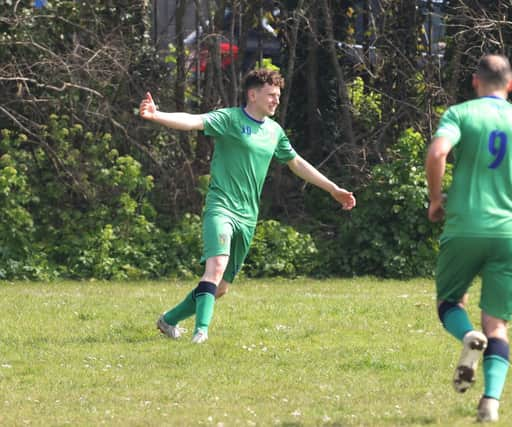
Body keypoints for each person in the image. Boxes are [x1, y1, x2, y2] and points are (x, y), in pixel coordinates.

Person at [139, 69, 356, 344]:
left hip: (248, 216)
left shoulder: (274, 131)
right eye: (271, 95)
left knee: (220, 288)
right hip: (221, 207)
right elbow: (193, 121)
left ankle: (169, 320)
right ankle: (201, 333)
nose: (276, 100)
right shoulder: (229, 119)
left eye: (278, 96)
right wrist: (157, 115)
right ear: (252, 95)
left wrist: (333, 189)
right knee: (215, 267)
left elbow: (297, 163)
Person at [425, 54, 512, 422]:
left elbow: (438, 152)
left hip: (465, 226)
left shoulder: (461, 114)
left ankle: (467, 337)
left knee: (450, 302)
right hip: (510, 232)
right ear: (511, 84)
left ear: (474, 81)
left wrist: (436, 199)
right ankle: (491, 403)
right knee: (497, 325)